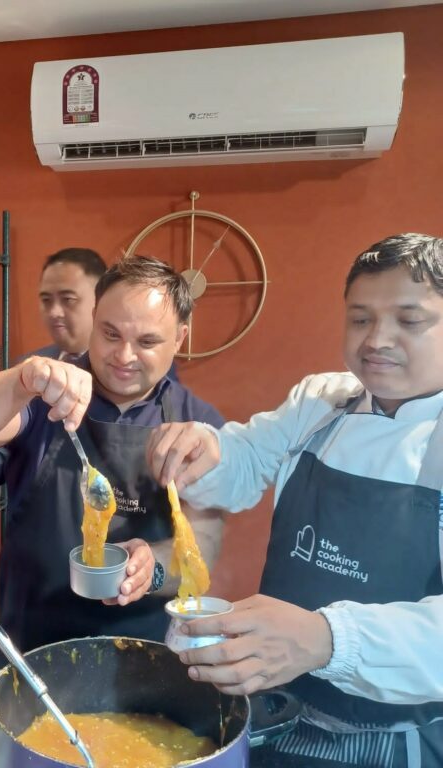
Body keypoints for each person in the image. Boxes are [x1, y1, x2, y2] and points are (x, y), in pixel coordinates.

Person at [146, 233, 443, 766]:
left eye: (410, 320)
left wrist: (327, 638)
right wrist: (205, 450)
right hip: (277, 706)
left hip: (394, 738)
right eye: (360, 318)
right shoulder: (322, 402)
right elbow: (242, 463)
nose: (377, 339)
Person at [0, 256, 225, 653]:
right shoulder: (46, 392)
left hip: (141, 650)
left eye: (147, 342)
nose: (124, 356)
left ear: (179, 338)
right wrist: (20, 380)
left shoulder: (197, 424)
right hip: (33, 636)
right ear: (94, 318)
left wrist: (152, 569)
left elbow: (204, 544)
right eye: (110, 333)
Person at [0, 247, 106, 495]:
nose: (54, 312)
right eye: (46, 300)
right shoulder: (28, 369)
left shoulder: (122, 376)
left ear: (101, 301)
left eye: (68, 299)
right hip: (31, 517)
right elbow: (21, 446)